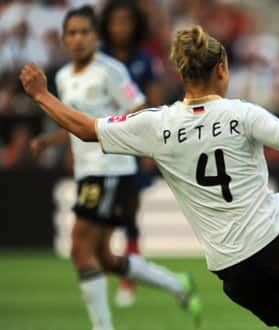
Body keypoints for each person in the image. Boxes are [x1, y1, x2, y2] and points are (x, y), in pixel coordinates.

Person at [20, 24, 279, 329]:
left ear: (182, 73)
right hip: (274, 235)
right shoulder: (240, 114)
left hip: (229, 265)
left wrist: (42, 96)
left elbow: (89, 129)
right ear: (222, 69)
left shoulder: (157, 125)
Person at [28, 6, 202, 330]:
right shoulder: (65, 77)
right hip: (87, 170)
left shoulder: (111, 71)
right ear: (64, 38)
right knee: (104, 257)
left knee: (81, 249)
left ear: (96, 37)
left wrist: (144, 149)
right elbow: (78, 120)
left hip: (111, 167)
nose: (78, 39)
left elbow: (137, 109)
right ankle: (178, 283)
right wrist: (52, 142)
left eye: (85, 32)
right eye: (72, 33)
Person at [98, 0, 160, 307]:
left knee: (129, 211)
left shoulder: (144, 60)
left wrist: (150, 145)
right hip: (101, 144)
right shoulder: (99, 60)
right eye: (116, 22)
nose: (121, 28)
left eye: (127, 22)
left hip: (133, 146)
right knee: (103, 215)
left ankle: (127, 277)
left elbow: (153, 102)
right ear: (107, 25)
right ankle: (105, 270)